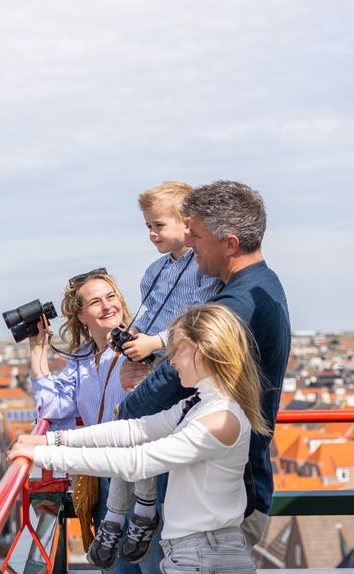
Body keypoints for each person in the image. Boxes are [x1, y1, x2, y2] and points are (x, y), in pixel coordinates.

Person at [11, 303, 269, 574]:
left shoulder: (220, 418)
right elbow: (136, 429)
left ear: (200, 350)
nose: (171, 361)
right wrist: (52, 441)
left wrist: (42, 457)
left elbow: (138, 461)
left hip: (204, 555)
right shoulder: (199, 402)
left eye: (176, 350)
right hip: (196, 551)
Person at [118, 180, 291, 550]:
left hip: (223, 497)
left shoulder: (234, 306)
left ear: (229, 243)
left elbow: (166, 384)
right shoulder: (260, 287)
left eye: (195, 235)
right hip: (234, 485)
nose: (190, 245)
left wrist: (128, 408)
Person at [91, 182, 222, 570]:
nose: (151, 234)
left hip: (179, 374)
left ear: (187, 223)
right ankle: (131, 513)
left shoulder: (203, 268)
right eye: (148, 226)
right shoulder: (154, 271)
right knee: (132, 425)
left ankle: (125, 513)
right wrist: (132, 340)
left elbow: (202, 321)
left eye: (157, 226)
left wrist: (154, 343)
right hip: (154, 370)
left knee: (132, 427)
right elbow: (147, 317)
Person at [28, 269, 140, 571]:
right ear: (81, 315)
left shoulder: (140, 347)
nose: (107, 307)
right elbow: (53, 406)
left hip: (141, 474)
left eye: (111, 297)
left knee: (151, 564)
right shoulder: (82, 358)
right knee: (116, 567)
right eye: (95, 302)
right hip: (104, 478)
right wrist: (37, 351)